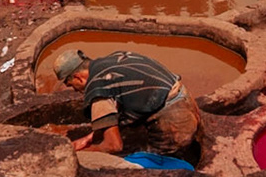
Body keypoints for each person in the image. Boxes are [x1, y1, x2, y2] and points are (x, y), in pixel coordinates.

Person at [54, 48, 199, 159]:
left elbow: (114, 146)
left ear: (78, 78)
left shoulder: (98, 90)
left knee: (154, 162)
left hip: (174, 122)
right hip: (186, 98)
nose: (74, 90)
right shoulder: (115, 58)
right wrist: (90, 138)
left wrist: (82, 154)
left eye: (71, 85)